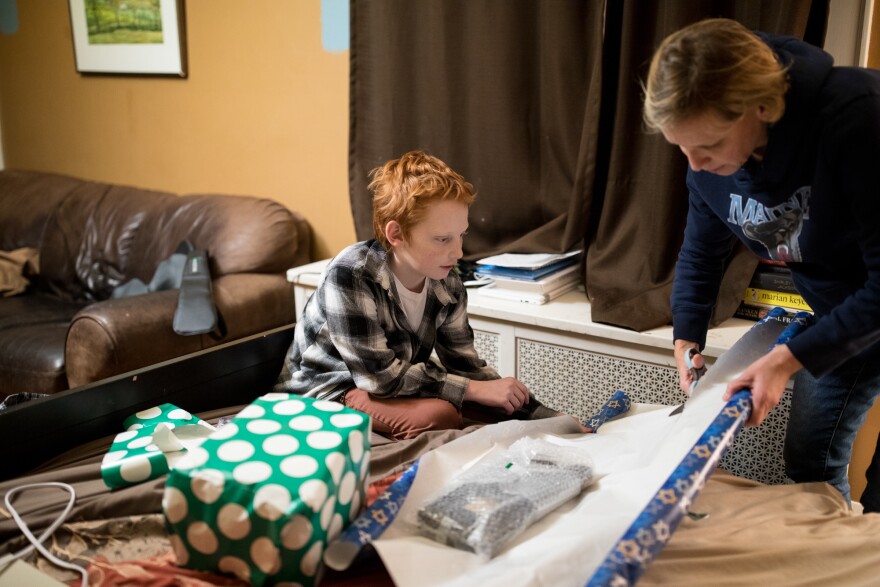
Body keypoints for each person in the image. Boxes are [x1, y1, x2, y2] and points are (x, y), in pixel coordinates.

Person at [643, 17, 880, 512]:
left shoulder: (857, 118)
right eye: (681, 148)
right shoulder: (705, 165)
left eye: (707, 146)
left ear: (763, 108)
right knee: (810, 459)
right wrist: (687, 334)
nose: (695, 164)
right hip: (846, 306)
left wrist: (788, 359)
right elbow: (701, 251)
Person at [276, 150, 577, 439]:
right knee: (441, 414)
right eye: (442, 239)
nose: (457, 252)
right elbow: (377, 379)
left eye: (461, 235)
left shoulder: (447, 282)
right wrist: (471, 391)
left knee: (492, 402)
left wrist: (550, 418)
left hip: (387, 383)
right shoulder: (351, 274)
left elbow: (466, 366)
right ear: (396, 234)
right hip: (328, 389)